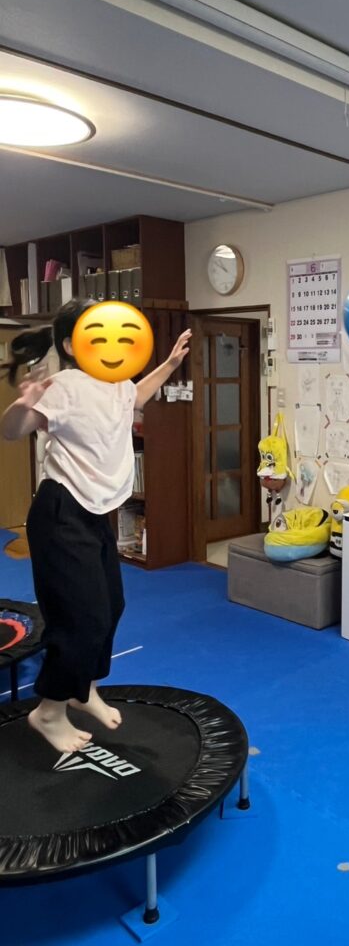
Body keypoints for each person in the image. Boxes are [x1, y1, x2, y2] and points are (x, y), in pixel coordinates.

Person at [0, 298, 191, 753]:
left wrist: (168, 365)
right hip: (61, 513)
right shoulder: (64, 386)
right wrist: (22, 404)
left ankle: (82, 688)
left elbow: (136, 397)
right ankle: (49, 712)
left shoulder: (117, 383)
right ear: (72, 344)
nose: (114, 345)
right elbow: (12, 430)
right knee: (81, 617)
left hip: (94, 514)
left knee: (112, 605)